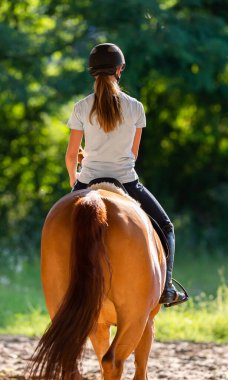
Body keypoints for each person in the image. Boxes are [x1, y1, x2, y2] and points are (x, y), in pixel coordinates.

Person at [65, 43, 188, 307]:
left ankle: (61, 283)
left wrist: (75, 180)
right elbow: (132, 154)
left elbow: (71, 155)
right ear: (120, 70)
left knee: (58, 225)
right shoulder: (135, 107)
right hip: (126, 182)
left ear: (92, 73)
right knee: (166, 227)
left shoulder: (80, 107)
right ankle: (166, 288)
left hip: (87, 181)